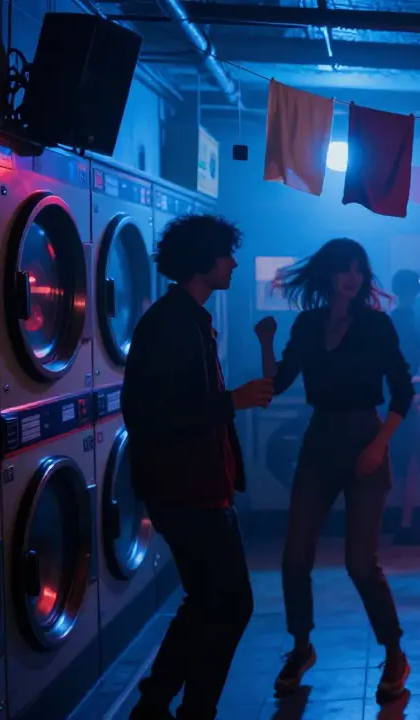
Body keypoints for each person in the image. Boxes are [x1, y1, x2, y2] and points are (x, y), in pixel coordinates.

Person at [252, 239, 416, 704]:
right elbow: (277, 384)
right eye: (344, 269)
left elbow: (402, 393)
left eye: (358, 270)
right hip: (319, 441)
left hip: (366, 438)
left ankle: (394, 652)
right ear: (328, 274)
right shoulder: (307, 324)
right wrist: (265, 341)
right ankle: (301, 647)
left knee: (359, 563)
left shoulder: (376, 325)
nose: (352, 277)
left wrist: (378, 446)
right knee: (294, 556)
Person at [123, 215, 270, 720]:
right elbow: (152, 414)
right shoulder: (172, 323)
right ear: (204, 260)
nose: (234, 262)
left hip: (198, 486)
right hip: (187, 490)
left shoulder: (186, 317)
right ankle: (190, 709)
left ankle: (159, 704)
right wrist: (233, 402)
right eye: (227, 254)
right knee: (229, 602)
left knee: (211, 600)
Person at [389, 268, 420, 546]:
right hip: (402, 396)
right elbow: (415, 359)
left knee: (387, 461)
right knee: (410, 461)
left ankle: (379, 522)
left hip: (386, 396)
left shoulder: (390, 319)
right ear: (416, 291)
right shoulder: (408, 319)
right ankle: (405, 525)